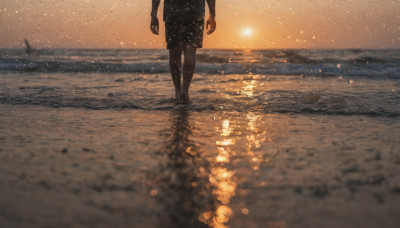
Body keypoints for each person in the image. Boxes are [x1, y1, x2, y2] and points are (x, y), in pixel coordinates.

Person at [150, 0, 216, 104]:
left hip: (173, 12)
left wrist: (153, 14)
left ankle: (178, 91)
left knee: (174, 53)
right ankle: (185, 91)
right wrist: (212, 15)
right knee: (190, 52)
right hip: (195, 13)